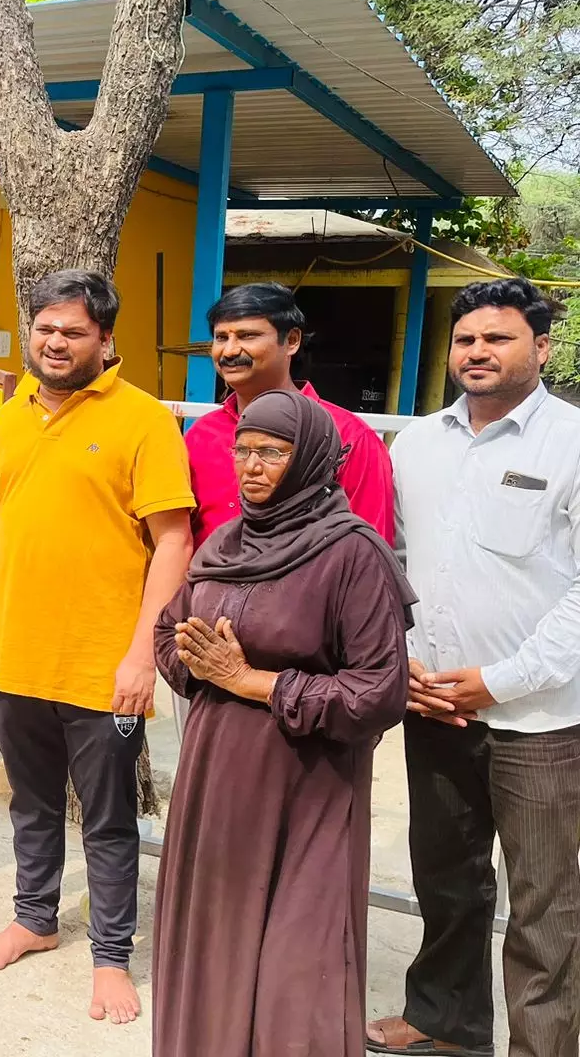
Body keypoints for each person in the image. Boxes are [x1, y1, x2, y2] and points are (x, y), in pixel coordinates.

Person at [0, 270, 195, 1025]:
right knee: (33, 806)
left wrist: (143, 654)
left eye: (74, 331)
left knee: (107, 821)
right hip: (12, 657)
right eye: (45, 327)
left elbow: (172, 542)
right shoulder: (9, 416)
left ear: (105, 340)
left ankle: (111, 957)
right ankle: (36, 918)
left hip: (99, 666)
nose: (55, 341)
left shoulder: (144, 420)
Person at [152, 389, 413, 1057]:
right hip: (217, 785)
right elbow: (169, 629)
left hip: (308, 786)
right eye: (243, 449)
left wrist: (254, 682)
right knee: (217, 947)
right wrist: (193, 661)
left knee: (299, 968)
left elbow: (379, 691)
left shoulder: (353, 554)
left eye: (272, 451)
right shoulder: (228, 543)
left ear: (315, 458)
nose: (252, 465)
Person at [368, 278, 580, 1057]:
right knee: (448, 881)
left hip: (541, 718)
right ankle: (445, 1021)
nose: (479, 351)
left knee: (545, 903)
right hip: (433, 706)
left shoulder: (572, 442)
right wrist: (407, 665)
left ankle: (542, 1048)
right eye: (467, 340)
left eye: (499, 338)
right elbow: (391, 562)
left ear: (542, 349)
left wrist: (502, 679)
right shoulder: (419, 443)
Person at [186, 282, 394, 547]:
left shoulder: (349, 438)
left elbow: (369, 553)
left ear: (292, 341)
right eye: (221, 337)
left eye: (247, 336)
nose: (229, 351)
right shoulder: (202, 436)